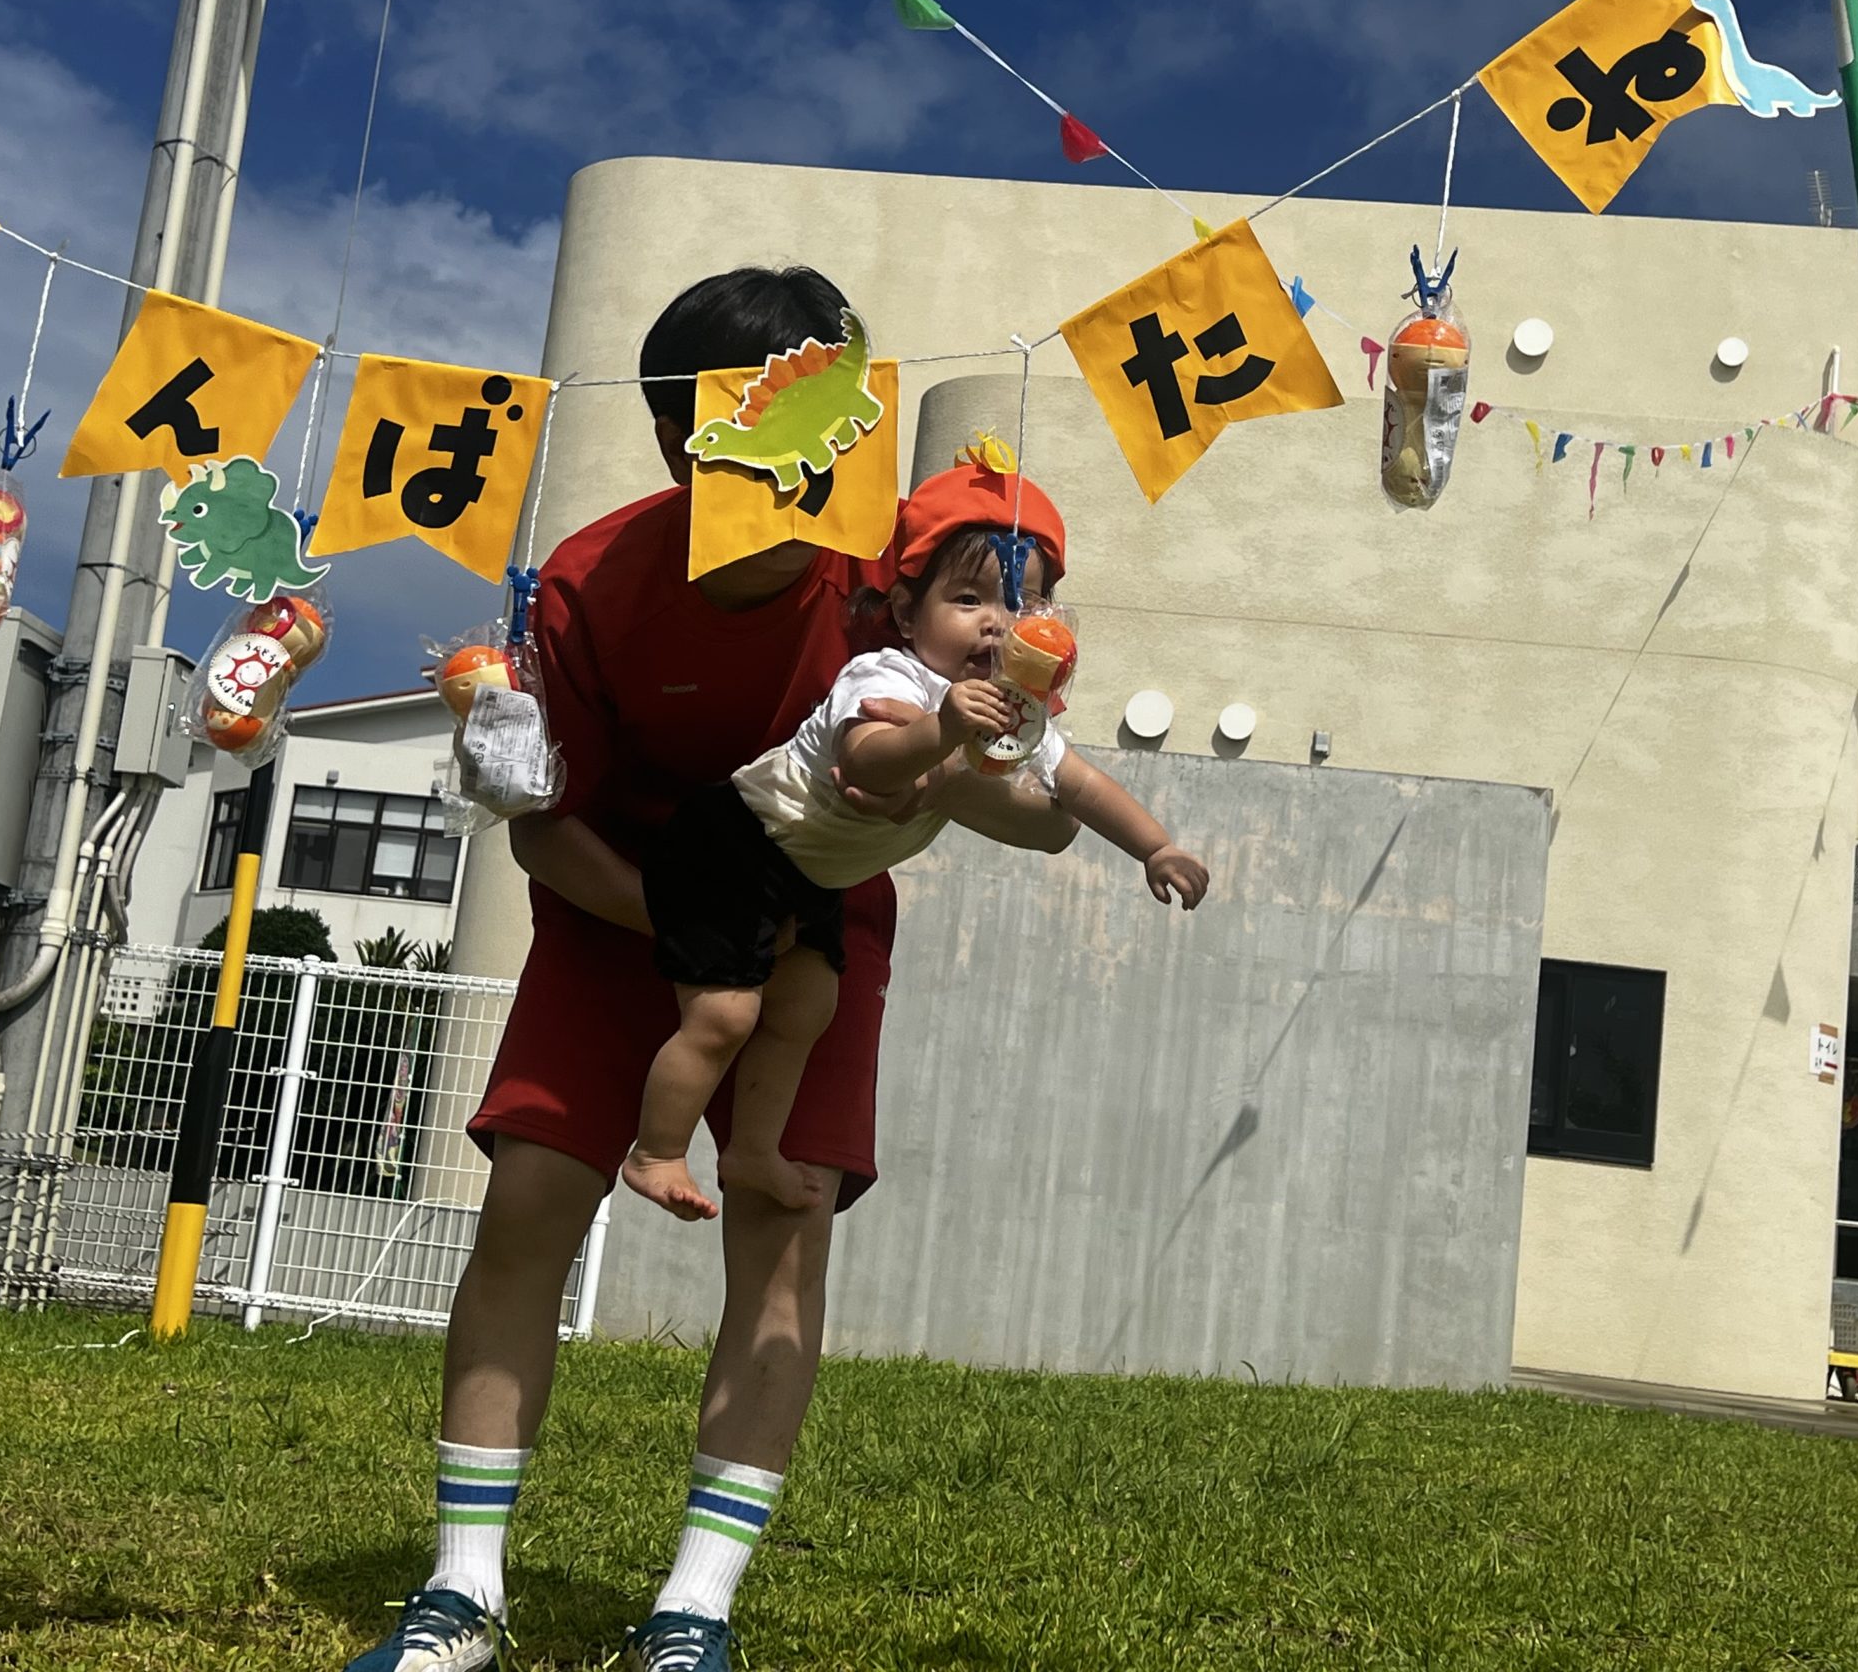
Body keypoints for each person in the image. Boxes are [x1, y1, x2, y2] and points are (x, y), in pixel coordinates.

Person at [344, 267, 1081, 1672]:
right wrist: (690, 934)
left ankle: (696, 1608)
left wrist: (1008, 772)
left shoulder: (891, 579)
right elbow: (543, 829)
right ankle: (462, 1591)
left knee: (782, 1237)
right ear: (684, 435)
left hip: (810, 942)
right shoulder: (591, 577)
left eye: (838, 417)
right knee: (528, 1210)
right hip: (622, 916)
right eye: (775, 417)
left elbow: (1014, 801)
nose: (815, 456)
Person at [622, 448, 1211, 1221]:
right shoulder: (889, 676)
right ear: (906, 614)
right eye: (968, 599)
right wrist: (941, 731)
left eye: (1022, 602)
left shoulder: (1017, 714)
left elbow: (1081, 786)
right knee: (725, 1015)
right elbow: (866, 763)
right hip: (738, 841)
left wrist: (1155, 846)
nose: (996, 621)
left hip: (813, 873)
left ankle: (752, 1150)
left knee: (807, 1007)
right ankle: (656, 1151)